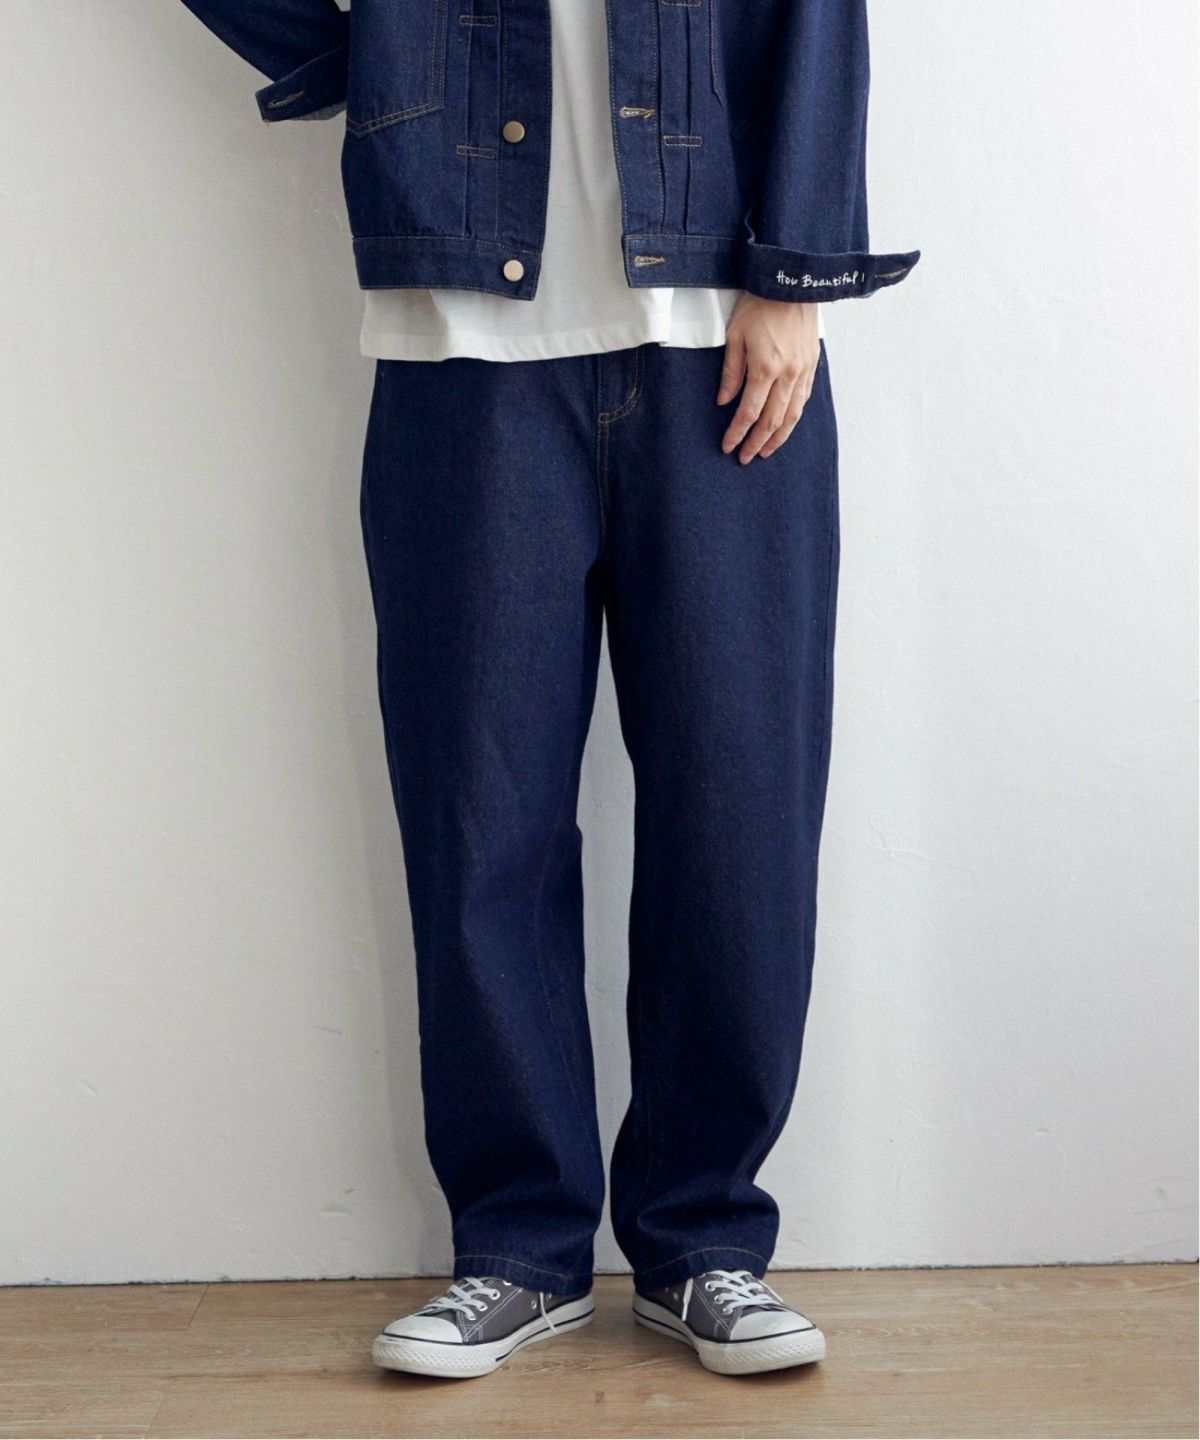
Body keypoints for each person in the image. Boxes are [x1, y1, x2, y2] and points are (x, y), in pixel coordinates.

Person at [180, 0, 918, 1379]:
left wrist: (795, 276)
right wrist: (360, 57)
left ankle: (704, 1242)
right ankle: (517, 1249)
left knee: (740, 814)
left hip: (720, 332)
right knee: (479, 820)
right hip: (461, 345)